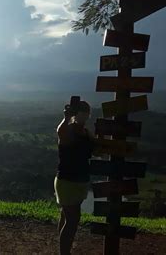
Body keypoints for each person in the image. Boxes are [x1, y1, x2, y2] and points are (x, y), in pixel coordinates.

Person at [55, 97, 94, 255]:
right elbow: (60, 131)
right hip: (68, 181)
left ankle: (64, 247)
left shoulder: (85, 132)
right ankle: (64, 252)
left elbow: (93, 146)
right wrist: (66, 117)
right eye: (82, 113)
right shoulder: (67, 130)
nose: (84, 116)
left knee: (67, 216)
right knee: (73, 220)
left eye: (86, 114)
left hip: (79, 180)